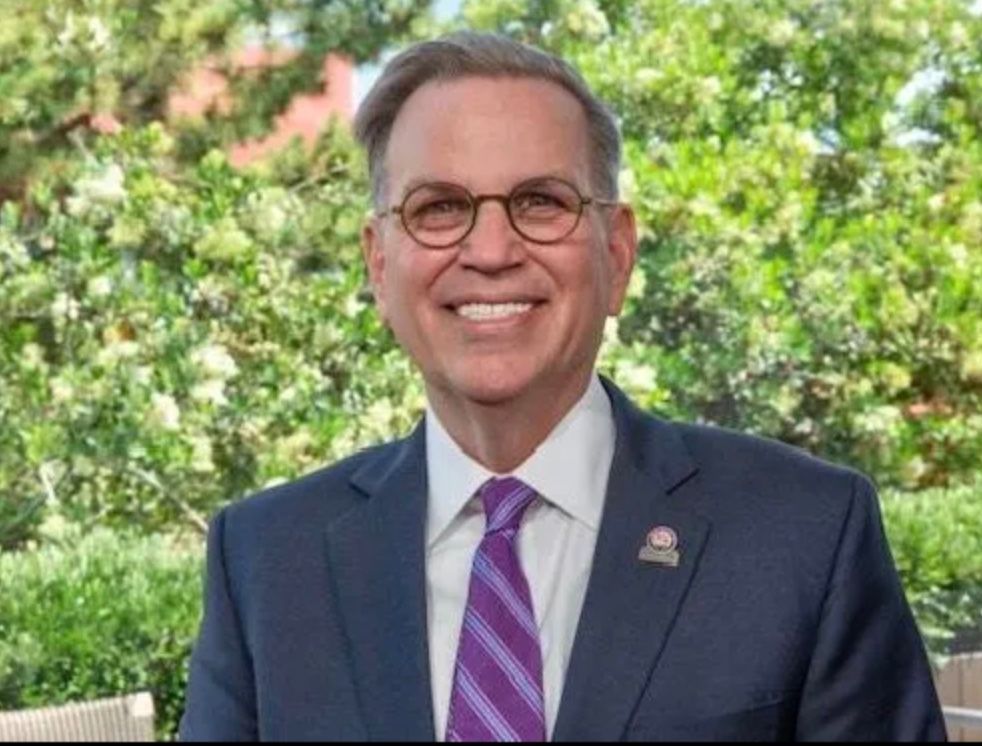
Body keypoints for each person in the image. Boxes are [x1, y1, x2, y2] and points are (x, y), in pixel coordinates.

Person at [180, 32, 946, 741]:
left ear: (617, 252)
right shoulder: (264, 562)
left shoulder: (804, 534)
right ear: (380, 265)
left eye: (540, 202)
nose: (489, 249)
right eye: (439, 207)